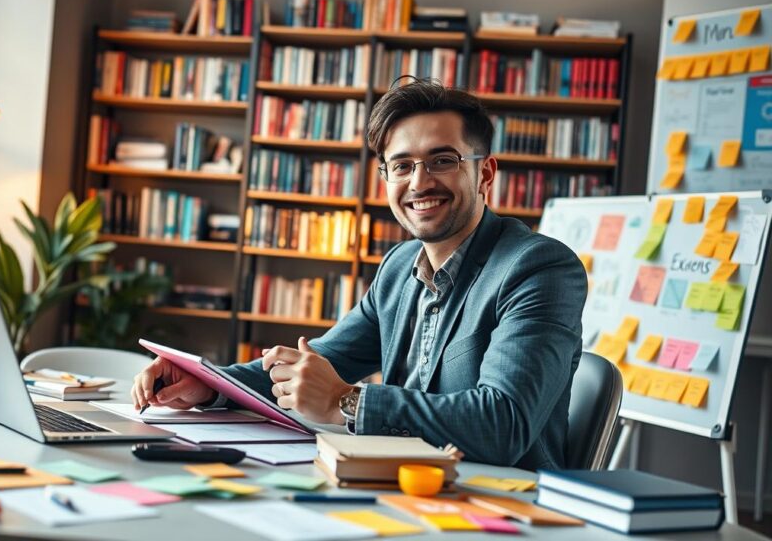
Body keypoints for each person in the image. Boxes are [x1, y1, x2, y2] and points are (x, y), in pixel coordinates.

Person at [132, 79, 587, 470]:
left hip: (500, 507)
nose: (419, 182)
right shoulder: (397, 270)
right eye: (402, 165)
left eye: (442, 160)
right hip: (400, 488)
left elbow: (503, 424)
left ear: (485, 173)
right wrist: (208, 385)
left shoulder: (538, 268)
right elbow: (318, 366)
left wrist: (345, 401)